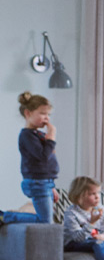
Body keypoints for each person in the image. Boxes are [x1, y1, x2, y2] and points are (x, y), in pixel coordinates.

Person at [5, 92, 58, 225]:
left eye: (48, 115)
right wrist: (51, 137)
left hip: (45, 182)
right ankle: (7, 216)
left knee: (47, 219)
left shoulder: (38, 134)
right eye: (42, 114)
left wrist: (51, 185)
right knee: (45, 221)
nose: (47, 118)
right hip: (37, 182)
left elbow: (47, 162)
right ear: (28, 113)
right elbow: (42, 157)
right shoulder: (27, 136)